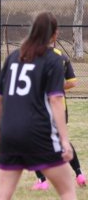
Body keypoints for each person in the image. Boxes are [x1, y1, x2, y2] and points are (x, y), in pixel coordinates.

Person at [0, 12, 77, 200]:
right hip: (38, 133)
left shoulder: (14, 57)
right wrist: (64, 141)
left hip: (10, 133)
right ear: (54, 34)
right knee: (68, 191)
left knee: (2, 194)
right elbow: (55, 100)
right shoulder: (53, 60)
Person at [32, 48, 86, 190]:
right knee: (62, 140)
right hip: (61, 106)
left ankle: (42, 180)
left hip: (41, 105)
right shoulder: (61, 55)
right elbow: (73, 82)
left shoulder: (33, 54)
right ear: (54, 35)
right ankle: (79, 174)